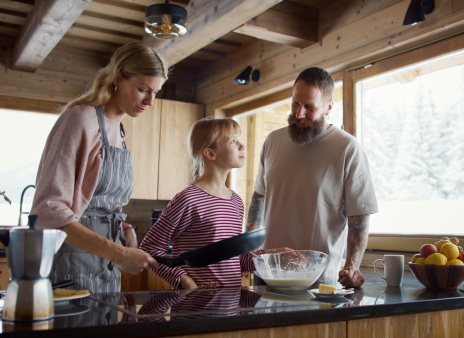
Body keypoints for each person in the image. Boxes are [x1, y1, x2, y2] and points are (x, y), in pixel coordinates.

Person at [31, 42, 164, 293]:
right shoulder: (80, 119)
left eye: (156, 92)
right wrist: (117, 252)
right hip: (71, 260)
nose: (150, 101)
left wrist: (125, 230)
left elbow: (103, 201)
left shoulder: (118, 129)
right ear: (119, 77)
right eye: (143, 89)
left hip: (107, 265)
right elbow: (48, 210)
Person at [246, 67, 378, 288]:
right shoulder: (272, 141)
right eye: (295, 103)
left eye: (309, 107)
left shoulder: (348, 148)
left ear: (328, 107)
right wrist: (250, 253)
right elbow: (258, 198)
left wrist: (351, 266)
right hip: (267, 274)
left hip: (319, 280)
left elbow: (360, 215)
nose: (298, 114)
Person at [140, 117, 292, 290]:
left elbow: (233, 259)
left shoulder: (236, 201)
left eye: (239, 139)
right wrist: (184, 281)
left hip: (229, 305)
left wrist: (271, 256)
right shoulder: (189, 199)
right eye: (233, 141)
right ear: (210, 153)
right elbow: (150, 248)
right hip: (194, 309)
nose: (242, 146)